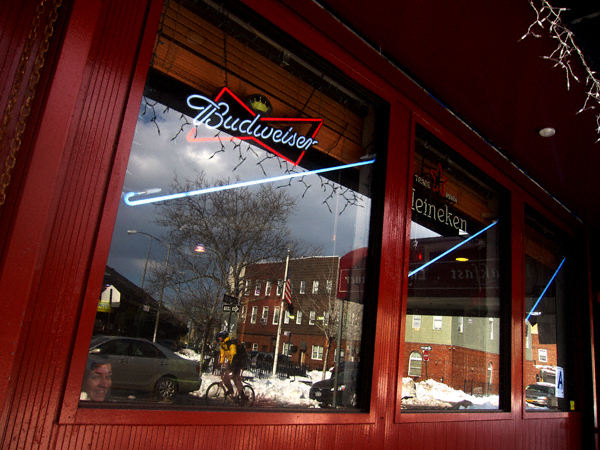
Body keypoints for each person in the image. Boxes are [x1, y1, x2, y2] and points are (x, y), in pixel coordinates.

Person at [216, 330, 246, 404]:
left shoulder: (231, 344)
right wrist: (221, 363)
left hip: (237, 362)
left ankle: (242, 395)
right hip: (231, 362)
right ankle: (230, 390)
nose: (219, 339)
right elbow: (222, 355)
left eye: (220, 337)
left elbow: (234, 354)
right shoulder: (223, 345)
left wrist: (231, 365)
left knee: (235, 378)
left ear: (223, 337)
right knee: (225, 377)